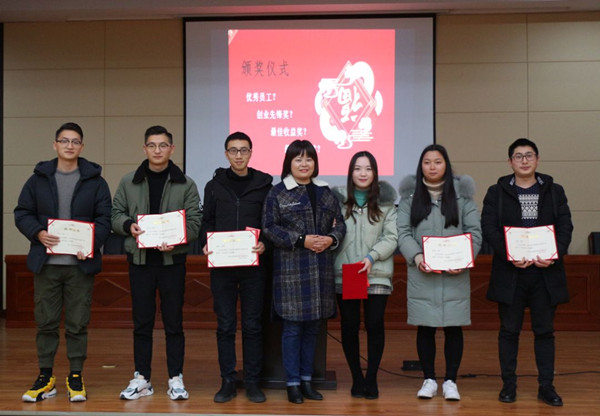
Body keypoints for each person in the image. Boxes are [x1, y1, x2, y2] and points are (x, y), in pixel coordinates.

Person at [15, 122, 112, 402]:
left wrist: (89, 244)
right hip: (47, 265)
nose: (70, 145)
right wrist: (38, 232)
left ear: (82, 146)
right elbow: (22, 213)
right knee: (45, 323)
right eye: (64, 140)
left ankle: (75, 376)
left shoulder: (95, 181)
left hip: (80, 266)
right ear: (55, 144)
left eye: (75, 141)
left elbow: (104, 219)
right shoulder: (37, 179)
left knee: (77, 324)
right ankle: (46, 376)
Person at [111, 125, 202, 401]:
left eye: (163, 145)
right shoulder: (129, 181)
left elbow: (195, 222)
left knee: (174, 322)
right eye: (152, 145)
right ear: (144, 149)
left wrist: (178, 239)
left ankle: (176, 377)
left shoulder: (186, 183)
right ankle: (142, 378)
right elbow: (115, 214)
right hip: (140, 262)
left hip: (172, 262)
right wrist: (128, 225)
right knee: (142, 322)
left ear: (171, 149)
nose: (157, 150)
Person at [481, 138, 572, 407]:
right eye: (518, 156)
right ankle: (508, 386)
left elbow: (565, 227)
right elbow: (489, 228)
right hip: (511, 273)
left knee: (544, 332)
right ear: (510, 162)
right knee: (509, 331)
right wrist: (510, 254)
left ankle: (546, 386)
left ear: (537, 159)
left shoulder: (554, 191)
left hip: (545, 273)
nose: (524, 160)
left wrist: (553, 254)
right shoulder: (496, 192)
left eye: (529, 155)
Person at [262, 139, 346, 404]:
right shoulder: (278, 192)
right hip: (292, 272)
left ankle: (308, 380)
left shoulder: (326, 192)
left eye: (308, 159)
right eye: (298, 159)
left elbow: (340, 225)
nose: (304, 164)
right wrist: (300, 240)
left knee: (313, 329)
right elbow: (269, 228)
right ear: (289, 163)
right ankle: (293, 383)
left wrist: (331, 239)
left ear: (315, 163)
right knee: (292, 329)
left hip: (320, 271)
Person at [397, 144, 482, 401]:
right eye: (427, 162)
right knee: (425, 328)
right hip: (423, 273)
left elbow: (475, 233)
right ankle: (429, 379)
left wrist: (464, 259)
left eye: (437, 161)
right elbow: (403, 233)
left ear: (446, 165)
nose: (432, 166)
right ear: (420, 166)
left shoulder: (462, 199)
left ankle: (451, 381)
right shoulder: (409, 200)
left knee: (454, 328)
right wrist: (417, 257)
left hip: (455, 274)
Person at [199, 131, 273, 403]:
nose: (239, 155)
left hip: (254, 266)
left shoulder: (265, 185)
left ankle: (252, 382)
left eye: (244, 150)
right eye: (233, 150)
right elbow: (207, 221)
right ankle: (228, 381)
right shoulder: (213, 186)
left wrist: (265, 243)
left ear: (251, 153)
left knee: (253, 325)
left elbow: (271, 224)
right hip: (223, 266)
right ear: (226, 154)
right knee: (226, 326)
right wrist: (206, 243)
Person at [332, 151, 398, 400]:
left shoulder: (386, 204)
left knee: (374, 324)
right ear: (350, 173)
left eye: (368, 168)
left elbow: (391, 237)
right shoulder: (337, 202)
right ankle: (357, 378)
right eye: (357, 168)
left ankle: (371, 378)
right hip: (347, 272)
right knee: (349, 326)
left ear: (375, 173)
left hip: (376, 272)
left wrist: (372, 257)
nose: (362, 173)